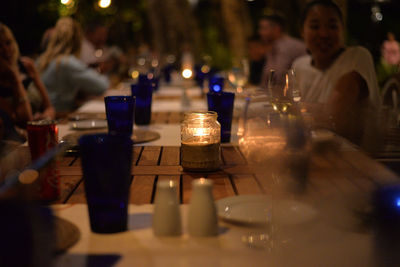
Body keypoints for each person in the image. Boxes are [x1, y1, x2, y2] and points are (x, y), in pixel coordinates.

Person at [292, 0, 381, 151]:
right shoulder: (299, 65)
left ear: (342, 30)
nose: (324, 34)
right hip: (311, 153)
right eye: (315, 26)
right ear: (302, 31)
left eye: (332, 26)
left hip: (355, 162)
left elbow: (333, 120)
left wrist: (297, 114)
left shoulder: (356, 57)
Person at [37, 17, 109, 114]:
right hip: (59, 115)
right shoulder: (67, 62)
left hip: (43, 115)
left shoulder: (41, 59)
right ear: (78, 40)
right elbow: (102, 85)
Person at [0, 22, 55, 122]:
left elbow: (49, 107)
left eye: (8, 43)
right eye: (0, 46)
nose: (5, 49)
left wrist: (46, 117)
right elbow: (25, 119)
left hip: (42, 127)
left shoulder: (27, 65)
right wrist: (16, 79)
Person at [258, 14, 307, 87]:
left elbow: (278, 79)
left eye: (264, 28)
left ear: (277, 29)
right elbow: (266, 78)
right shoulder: (273, 46)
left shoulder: (287, 46)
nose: (260, 32)